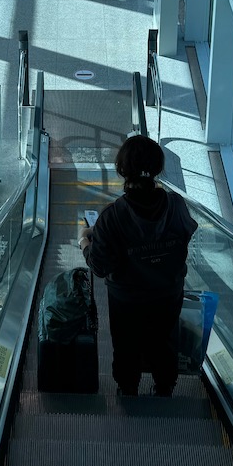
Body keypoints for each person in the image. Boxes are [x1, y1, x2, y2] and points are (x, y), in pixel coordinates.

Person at [79, 134, 196, 397]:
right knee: (165, 339)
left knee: (126, 343)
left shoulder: (113, 216)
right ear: (157, 169)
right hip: (168, 291)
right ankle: (165, 386)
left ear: (122, 170)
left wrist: (84, 242)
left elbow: (99, 267)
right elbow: (185, 234)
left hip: (127, 298)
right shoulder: (176, 205)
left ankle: (127, 387)